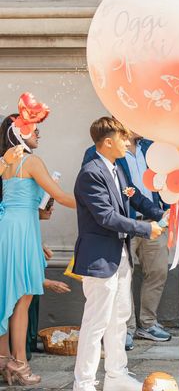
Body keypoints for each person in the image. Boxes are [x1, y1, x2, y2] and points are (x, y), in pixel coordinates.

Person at [72, 117, 166, 391]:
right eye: (123, 138)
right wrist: (145, 229)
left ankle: (116, 375)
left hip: (120, 254)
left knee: (119, 317)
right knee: (96, 323)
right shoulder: (90, 173)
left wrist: (162, 215)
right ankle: (85, 383)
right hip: (100, 258)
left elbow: (134, 196)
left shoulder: (116, 170)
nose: (128, 143)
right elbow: (106, 217)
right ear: (108, 142)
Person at [0, 113, 76, 386]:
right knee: (23, 298)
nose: (39, 134)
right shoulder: (30, 160)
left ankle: (3, 358)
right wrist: (97, 201)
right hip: (22, 232)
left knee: (6, 296)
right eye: (34, 129)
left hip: (9, 228)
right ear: (19, 132)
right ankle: (20, 363)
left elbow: (20, 202)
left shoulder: (4, 163)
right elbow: (61, 195)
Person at [82, 132, 170, 350]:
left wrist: (163, 212)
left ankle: (147, 324)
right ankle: (125, 330)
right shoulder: (97, 154)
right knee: (124, 276)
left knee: (158, 271)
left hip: (153, 221)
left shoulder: (151, 146)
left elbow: (163, 179)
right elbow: (111, 198)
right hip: (124, 223)